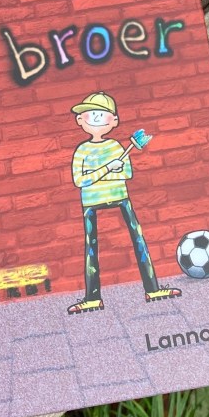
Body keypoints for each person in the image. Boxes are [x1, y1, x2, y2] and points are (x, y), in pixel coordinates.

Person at [68, 91, 180, 313]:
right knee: (91, 247)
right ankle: (92, 297)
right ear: (80, 120)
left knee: (138, 239)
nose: (97, 119)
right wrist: (108, 168)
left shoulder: (116, 147)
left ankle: (152, 288)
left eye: (103, 114)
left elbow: (127, 173)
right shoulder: (82, 150)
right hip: (91, 203)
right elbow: (79, 180)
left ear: (114, 121)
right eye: (91, 114)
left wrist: (105, 172)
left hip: (120, 197)